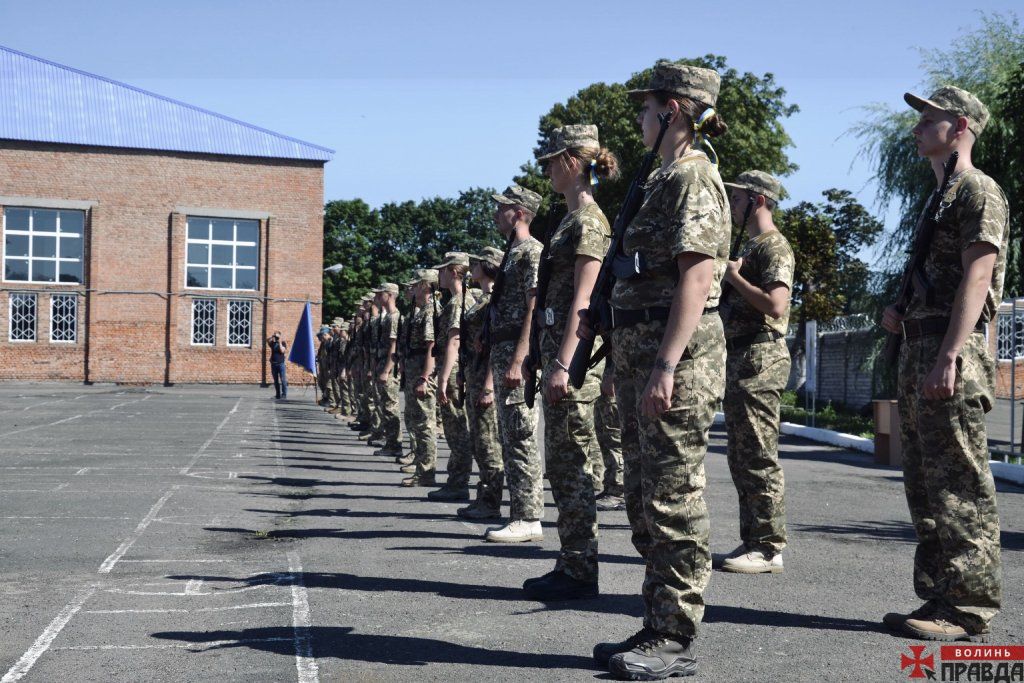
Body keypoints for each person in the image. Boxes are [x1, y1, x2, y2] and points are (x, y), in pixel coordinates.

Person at [583, 60, 729, 679]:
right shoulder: (659, 179)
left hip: (679, 362)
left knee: (672, 499)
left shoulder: (693, 177)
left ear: (672, 111)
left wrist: (666, 366)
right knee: (645, 500)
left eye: (647, 109)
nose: (640, 118)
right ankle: (657, 623)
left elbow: (696, 279)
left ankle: (673, 636)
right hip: (642, 355)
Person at [880, 85, 1006, 643]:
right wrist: (900, 313)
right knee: (926, 485)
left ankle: (968, 607)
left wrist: (950, 355)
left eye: (927, 119)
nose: (916, 129)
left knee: (959, 483)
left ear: (959, 127)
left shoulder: (978, 189)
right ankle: (940, 594)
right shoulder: (940, 197)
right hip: (920, 348)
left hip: (948, 353)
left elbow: (978, 278)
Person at [522, 124, 618, 600]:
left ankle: (581, 570)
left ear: (574, 162)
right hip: (557, 356)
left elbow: (584, 299)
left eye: (552, 161)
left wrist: (562, 364)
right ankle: (571, 562)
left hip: (574, 364)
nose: (547, 170)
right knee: (561, 467)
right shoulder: (566, 221)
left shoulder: (589, 223)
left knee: (574, 465)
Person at [719, 170, 794, 574]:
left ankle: (767, 547)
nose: (732, 205)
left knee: (759, 454)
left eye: (737, 198)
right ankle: (753, 539)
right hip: (741, 359)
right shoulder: (750, 245)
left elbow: (775, 305)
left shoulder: (773, 246)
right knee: (741, 455)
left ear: (758, 200)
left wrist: (733, 277)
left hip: (760, 359)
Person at [486, 184, 545, 544]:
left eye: (502, 208)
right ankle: (519, 512)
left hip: (514, 354)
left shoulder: (530, 252)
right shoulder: (513, 252)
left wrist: (520, 358)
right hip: (502, 349)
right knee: (509, 436)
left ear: (520, 213)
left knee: (521, 436)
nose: (496, 213)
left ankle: (529, 516)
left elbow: (533, 307)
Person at [457, 248, 506, 520]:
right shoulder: (482, 300)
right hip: (473, 375)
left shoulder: (494, 301)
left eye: (477, 263)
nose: (472, 267)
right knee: (479, 441)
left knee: (488, 443)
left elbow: (494, 347)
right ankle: (483, 498)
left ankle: (490, 502)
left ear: (488, 267)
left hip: (484, 379)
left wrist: (488, 386)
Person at [428, 252, 476, 500]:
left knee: (456, 429)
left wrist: (443, 379)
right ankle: (457, 481)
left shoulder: (458, 302)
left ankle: (458, 484)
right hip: (459, 369)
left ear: (454, 272)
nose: (439, 275)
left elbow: (454, 342)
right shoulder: (465, 299)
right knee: (458, 427)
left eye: (443, 270)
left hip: (454, 370)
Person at [400, 269, 440, 485]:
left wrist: (425, 376)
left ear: (425, 286)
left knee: (425, 424)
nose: (412, 289)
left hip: (422, 372)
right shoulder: (422, 310)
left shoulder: (430, 311)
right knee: (417, 421)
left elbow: (431, 346)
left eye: (416, 285)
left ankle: (426, 472)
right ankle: (421, 466)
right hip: (414, 370)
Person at [373, 284, 404, 458]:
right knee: (385, 406)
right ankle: (390, 442)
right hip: (383, 364)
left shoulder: (394, 317)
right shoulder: (387, 318)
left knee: (391, 407)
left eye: (381, 294)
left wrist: (386, 371)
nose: (378, 297)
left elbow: (394, 346)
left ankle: (394, 444)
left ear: (390, 295)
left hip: (389, 368)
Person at [267, 331, 289, 399]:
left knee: (283, 379)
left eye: (277, 336)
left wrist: (279, 342)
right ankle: (278, 395)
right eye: (275, 336)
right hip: (274, 364)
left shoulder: (283, 343)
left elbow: (282, 351)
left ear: (280, 336)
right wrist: (272, 336)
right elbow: (267, 340)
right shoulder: (272, 343)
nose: (276, 337)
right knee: (275, 380)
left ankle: (284, 394)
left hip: (281, 364)